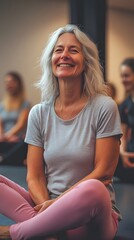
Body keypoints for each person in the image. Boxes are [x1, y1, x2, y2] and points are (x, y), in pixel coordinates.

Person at [0, 25, 122, 240]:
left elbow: (103, 173)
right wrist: (49, 207)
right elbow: (35, 176)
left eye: (73, 50)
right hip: (45, 204)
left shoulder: (104, 106)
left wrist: (58, 205)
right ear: (51, 60)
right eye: (58, 50)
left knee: (94, 188)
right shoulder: (38, 112)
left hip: (90, 214)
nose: (64, 55)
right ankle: (48, 231)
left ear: (86, 62)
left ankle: (16, 233)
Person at [0, 71, 31, 165]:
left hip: (16, 140)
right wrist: (2, 136)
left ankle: (3, 159)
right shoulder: (2, 105)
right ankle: (7, 159)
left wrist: (7, 136)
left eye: (12, 81)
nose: (9, 84)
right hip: (3, 140)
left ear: (18, 84)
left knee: (25, 143)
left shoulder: (25, 104)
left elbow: (21, 125)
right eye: (7, 82)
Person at [115, 58, 134, 183]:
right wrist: (122, 153)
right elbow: (122, 134)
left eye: (126, 76)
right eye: (122, 76)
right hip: (130, 157)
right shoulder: (124, 105)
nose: (123, 80)